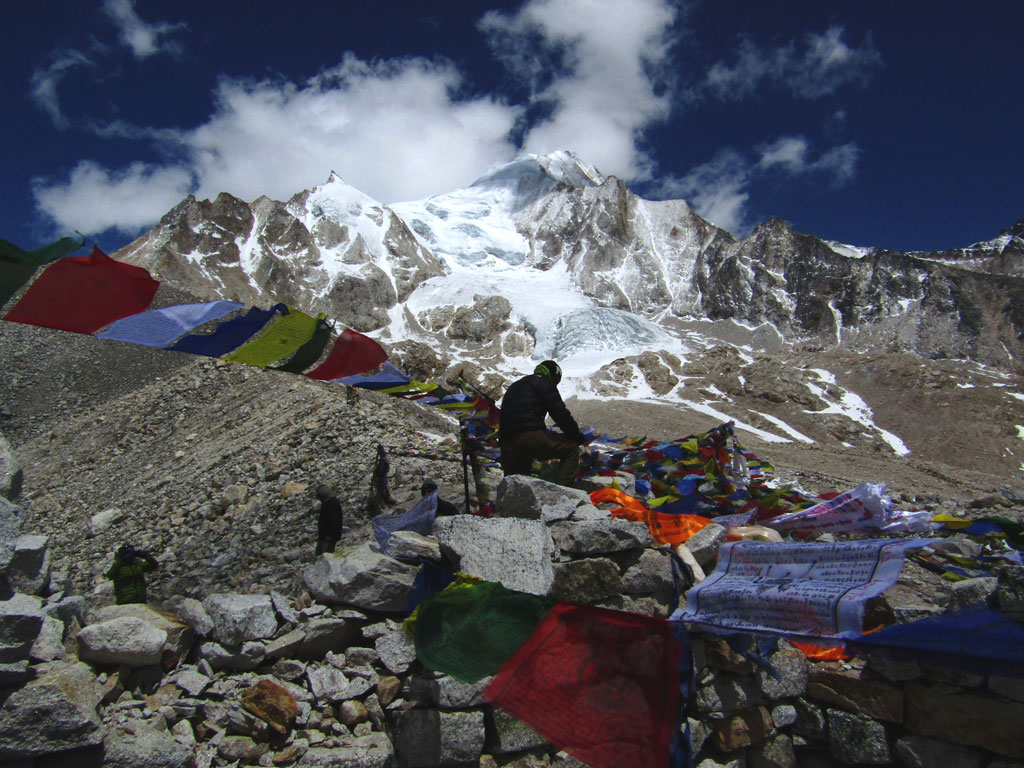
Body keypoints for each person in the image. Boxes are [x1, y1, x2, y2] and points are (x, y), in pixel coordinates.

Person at [498, 359, 585, 486]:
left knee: (517, 482)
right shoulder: (543, 382)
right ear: (554, 375)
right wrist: (576, 436)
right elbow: (560, 413)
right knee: (571, 448)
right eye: (556, 381)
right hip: (530, 436)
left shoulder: (516, 385)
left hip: (506, 442)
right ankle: (562, 490)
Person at [315, 484, 344, 554]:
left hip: (328, 537)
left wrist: (330, 535)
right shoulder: (327, 503)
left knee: (324, 553)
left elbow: (336, 521)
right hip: (326, 536)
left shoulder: (332, 504)